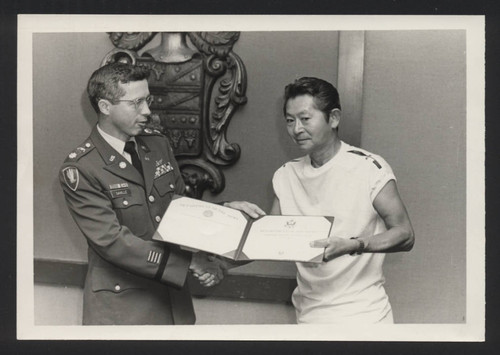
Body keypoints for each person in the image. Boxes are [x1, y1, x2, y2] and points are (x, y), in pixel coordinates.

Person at [59, 63, 264, 325]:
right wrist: (190, 263)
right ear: (105, 107)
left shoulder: (156, 144)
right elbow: (113, 242)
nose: (147, 110)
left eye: (147, 100)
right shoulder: (81, 168)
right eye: (136, 103)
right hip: (122, 310)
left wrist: (226, 212)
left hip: (173, 303)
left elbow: (179, 211)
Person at [271, 77, 415, 324]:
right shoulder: (285, 175)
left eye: (305, 119)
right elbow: (270, 238)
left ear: (334, 118)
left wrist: (353, 245)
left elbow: (405, 234)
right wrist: (245, 222)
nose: (296, 129)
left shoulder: (369, 167)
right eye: (289, 120)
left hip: (365, 315)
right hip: (309, 315)